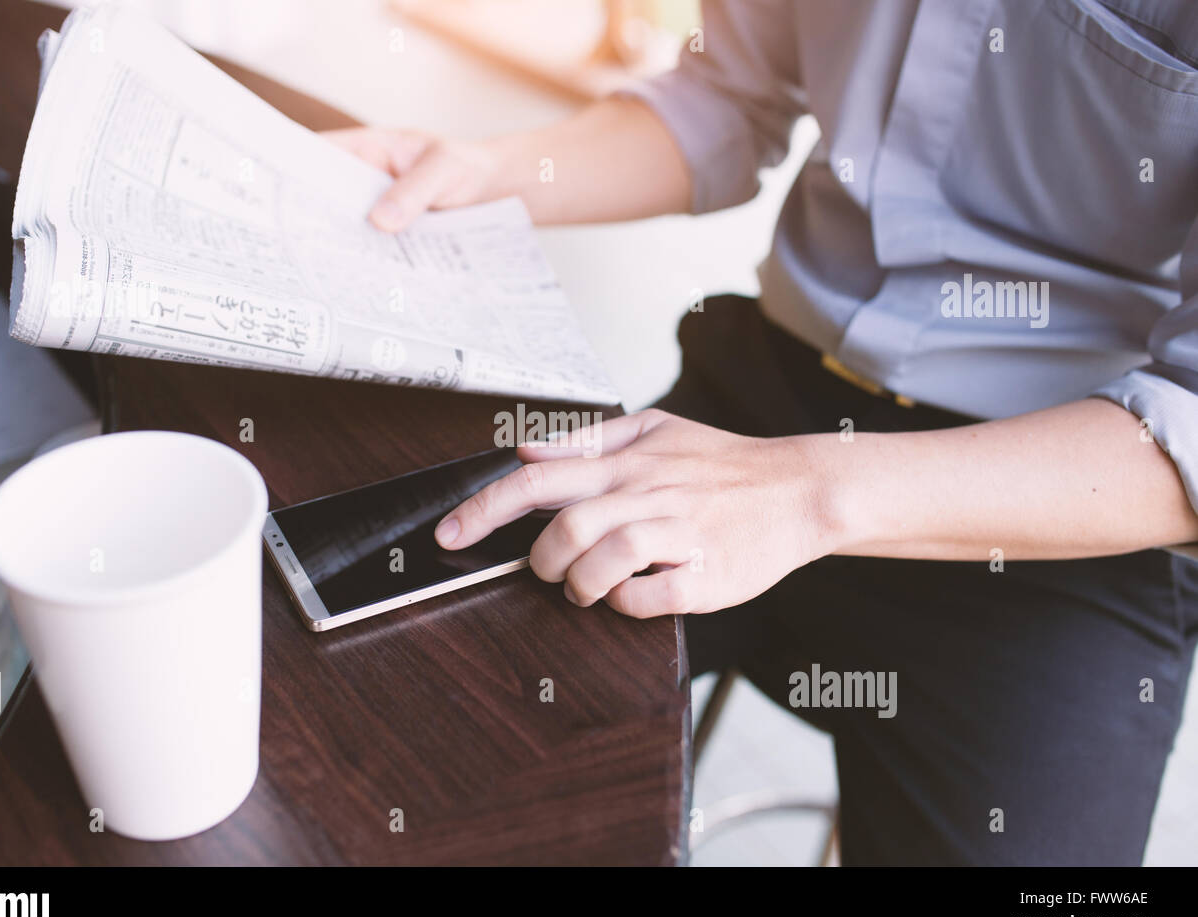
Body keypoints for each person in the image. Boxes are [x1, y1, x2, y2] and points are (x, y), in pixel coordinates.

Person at [324, 0, 1198, 864]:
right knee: (399, 702)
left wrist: (811, 492)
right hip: (753, 409)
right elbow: (727, 101)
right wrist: (480, 174)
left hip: (1055, 511)